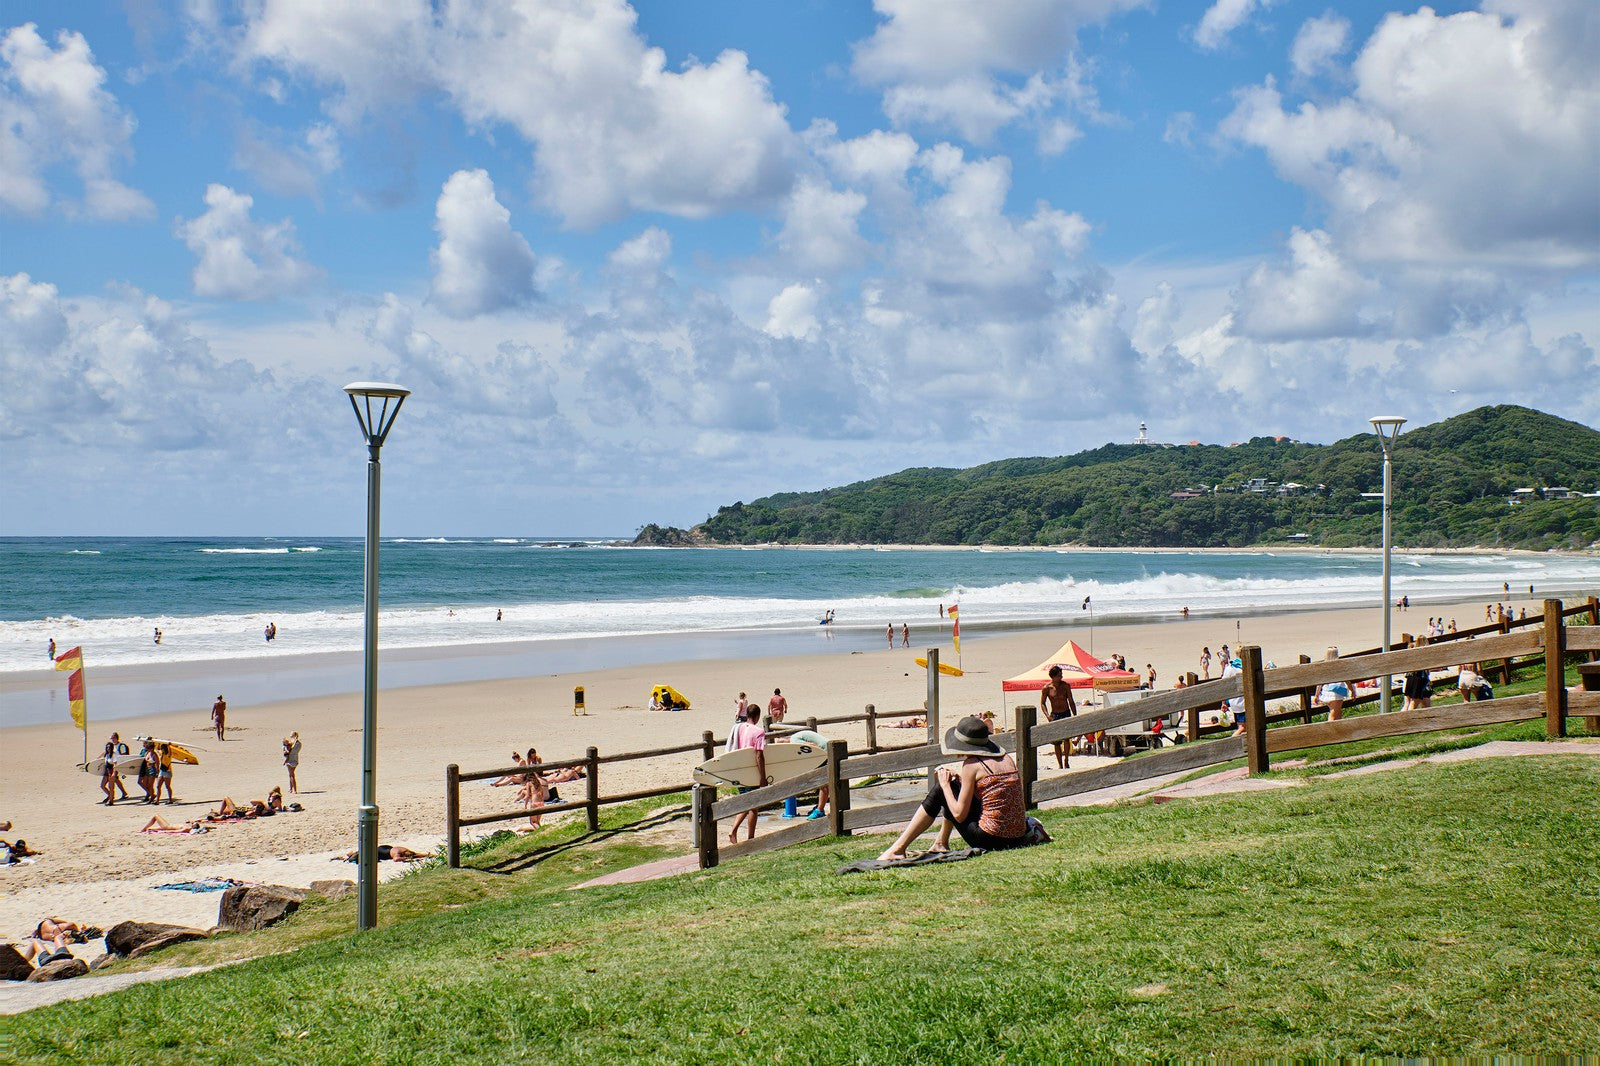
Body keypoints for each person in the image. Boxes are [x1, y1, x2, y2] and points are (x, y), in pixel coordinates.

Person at [877, 716, 1046, 860]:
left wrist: (945, 785)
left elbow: (959, 814)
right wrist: (959, 782)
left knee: (941, 790)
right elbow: (994, 795)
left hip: (991, 839)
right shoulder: (1005, 758)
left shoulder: (971, 765)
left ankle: (898, 849)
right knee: (952, 787)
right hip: (1017, 836)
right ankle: (940, 843)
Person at [727, 705, 767, 844]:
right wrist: (763, 777)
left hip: (740, 770)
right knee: (752, 805)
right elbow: (759, 755)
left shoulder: (739, 728)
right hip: (751, 772)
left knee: (746, 801)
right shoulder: (759, 732)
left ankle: (738, 833)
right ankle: (748, 837)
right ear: (757, 716)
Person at [1039, 665, 1077, 770]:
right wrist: (1047, 716)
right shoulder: (1047, 688)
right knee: (1056, 742)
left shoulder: (1065, 686)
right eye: (1059, 675)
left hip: (1065, 713)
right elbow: (1042, 703)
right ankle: (1060, 763)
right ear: (1053, 676)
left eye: (1061, 675)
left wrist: (1075, 715)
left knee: (1066, 739)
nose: (1061, 677)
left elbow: (1071, 701)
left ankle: (1066, 760)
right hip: (1054, 715)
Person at [137, 739, 158, 803]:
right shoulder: (147, 753)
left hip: (152, 769)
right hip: (147, 769)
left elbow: (157, 763)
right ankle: (151, 794)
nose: (148, 749)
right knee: (145, 783)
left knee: (150, 785)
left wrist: (157, 772)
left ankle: (152, 797)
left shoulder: (154, 755)